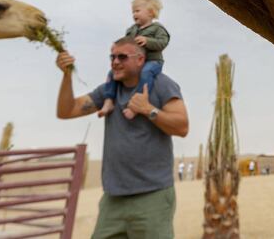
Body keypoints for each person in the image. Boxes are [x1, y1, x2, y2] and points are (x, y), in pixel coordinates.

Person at [56, 37, 189, 239]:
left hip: (152, 197)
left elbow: (182, 126)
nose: (115, 62)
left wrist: (148, 109)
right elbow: (67, 110)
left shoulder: (162, 85)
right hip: (113, 199)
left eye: (122, 57)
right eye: (112, 57)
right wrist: (66, 75)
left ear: (140, 60)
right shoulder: (109, 91)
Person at [99, 0, 171, 119]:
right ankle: (109, 100)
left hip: (152, 61)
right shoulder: (131, 30)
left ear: (150, 12)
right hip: (135, 62)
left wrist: (147, 41)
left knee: (146, 72)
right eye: (133, 12)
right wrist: (117, 45)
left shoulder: (157, 29)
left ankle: (136, 105)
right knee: (112, 72)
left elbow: (163, 43)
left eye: (137, 11)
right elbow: (125, 42)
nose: (134, 14)